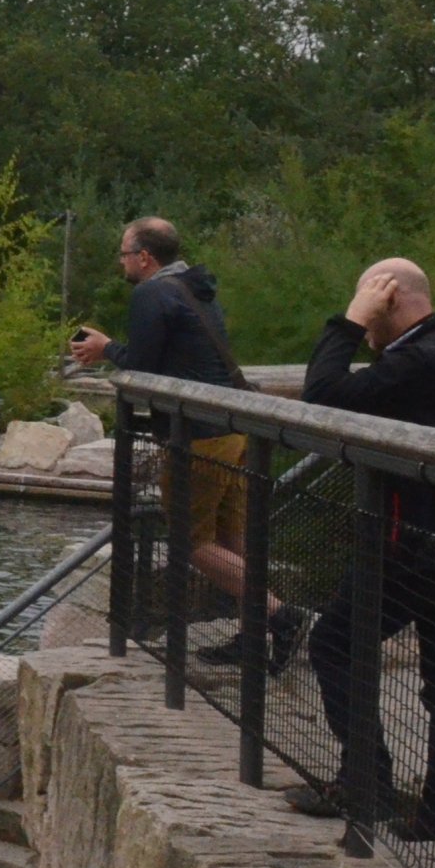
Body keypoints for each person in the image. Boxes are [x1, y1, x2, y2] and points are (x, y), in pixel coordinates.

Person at [294, 258, 435, 843]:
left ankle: (369, 783)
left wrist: (347, 323)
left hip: (418, 548)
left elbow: (321, 397)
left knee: (334, 644)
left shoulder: (419, 360)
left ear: (388, 299)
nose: (366, 330)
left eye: (370, 308)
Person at [67, 218, 306, 671]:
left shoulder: (151, 294)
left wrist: (106, 348)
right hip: (234, 429)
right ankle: (253, 635)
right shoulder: (195, 289)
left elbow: (142, 370)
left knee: (188, 542)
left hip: (197, 437)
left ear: (144, 257)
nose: (120, 261)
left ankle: (281, 616)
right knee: (231, 538)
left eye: (123, 253)